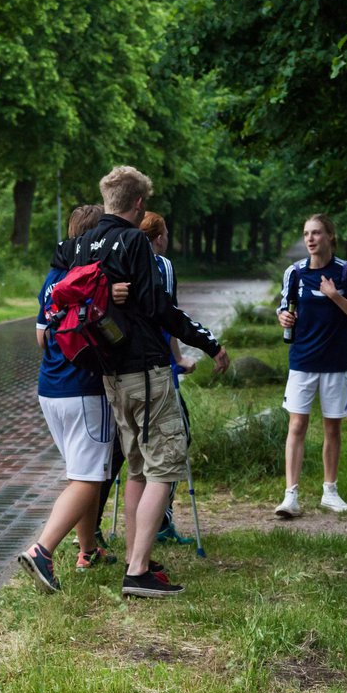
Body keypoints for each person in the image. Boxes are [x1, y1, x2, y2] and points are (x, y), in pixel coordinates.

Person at [72, 166, 229, 598]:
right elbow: (160, 308)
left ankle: (133, 557)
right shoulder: (135, 241)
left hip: (109, 374)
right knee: (165, 463)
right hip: (145, 369)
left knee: (137, 466)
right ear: (139, 205)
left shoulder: (82, 243)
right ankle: (138, 570)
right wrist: (208, 342)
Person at [17, 204, 117, 593]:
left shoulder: (54, 276)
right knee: (88, 478)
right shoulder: (98, 274)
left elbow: (42, 337)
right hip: (85, 389)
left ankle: (88, 551)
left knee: (82, 473)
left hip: (50, 388)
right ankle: (43, 550)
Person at [275, 214, 347, 518]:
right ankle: (291, 496)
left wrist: (334, 297)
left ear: (330, 236)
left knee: (332, 427)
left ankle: (330, 492)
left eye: (316, 233)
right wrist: (283, 317)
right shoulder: (295, 273)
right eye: (306, 234)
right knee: (297, 425)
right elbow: (284, 306)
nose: (310, 239)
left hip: (336, 361)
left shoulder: (346, 272)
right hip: (302, 359)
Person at [139, 211, 195, 544]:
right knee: (177, 437)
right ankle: (161, 519)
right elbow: (170, 317)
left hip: (121, 370)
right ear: (159, 237)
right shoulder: (164, 266)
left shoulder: (115, 261)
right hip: (157, 368)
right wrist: (179, 359)